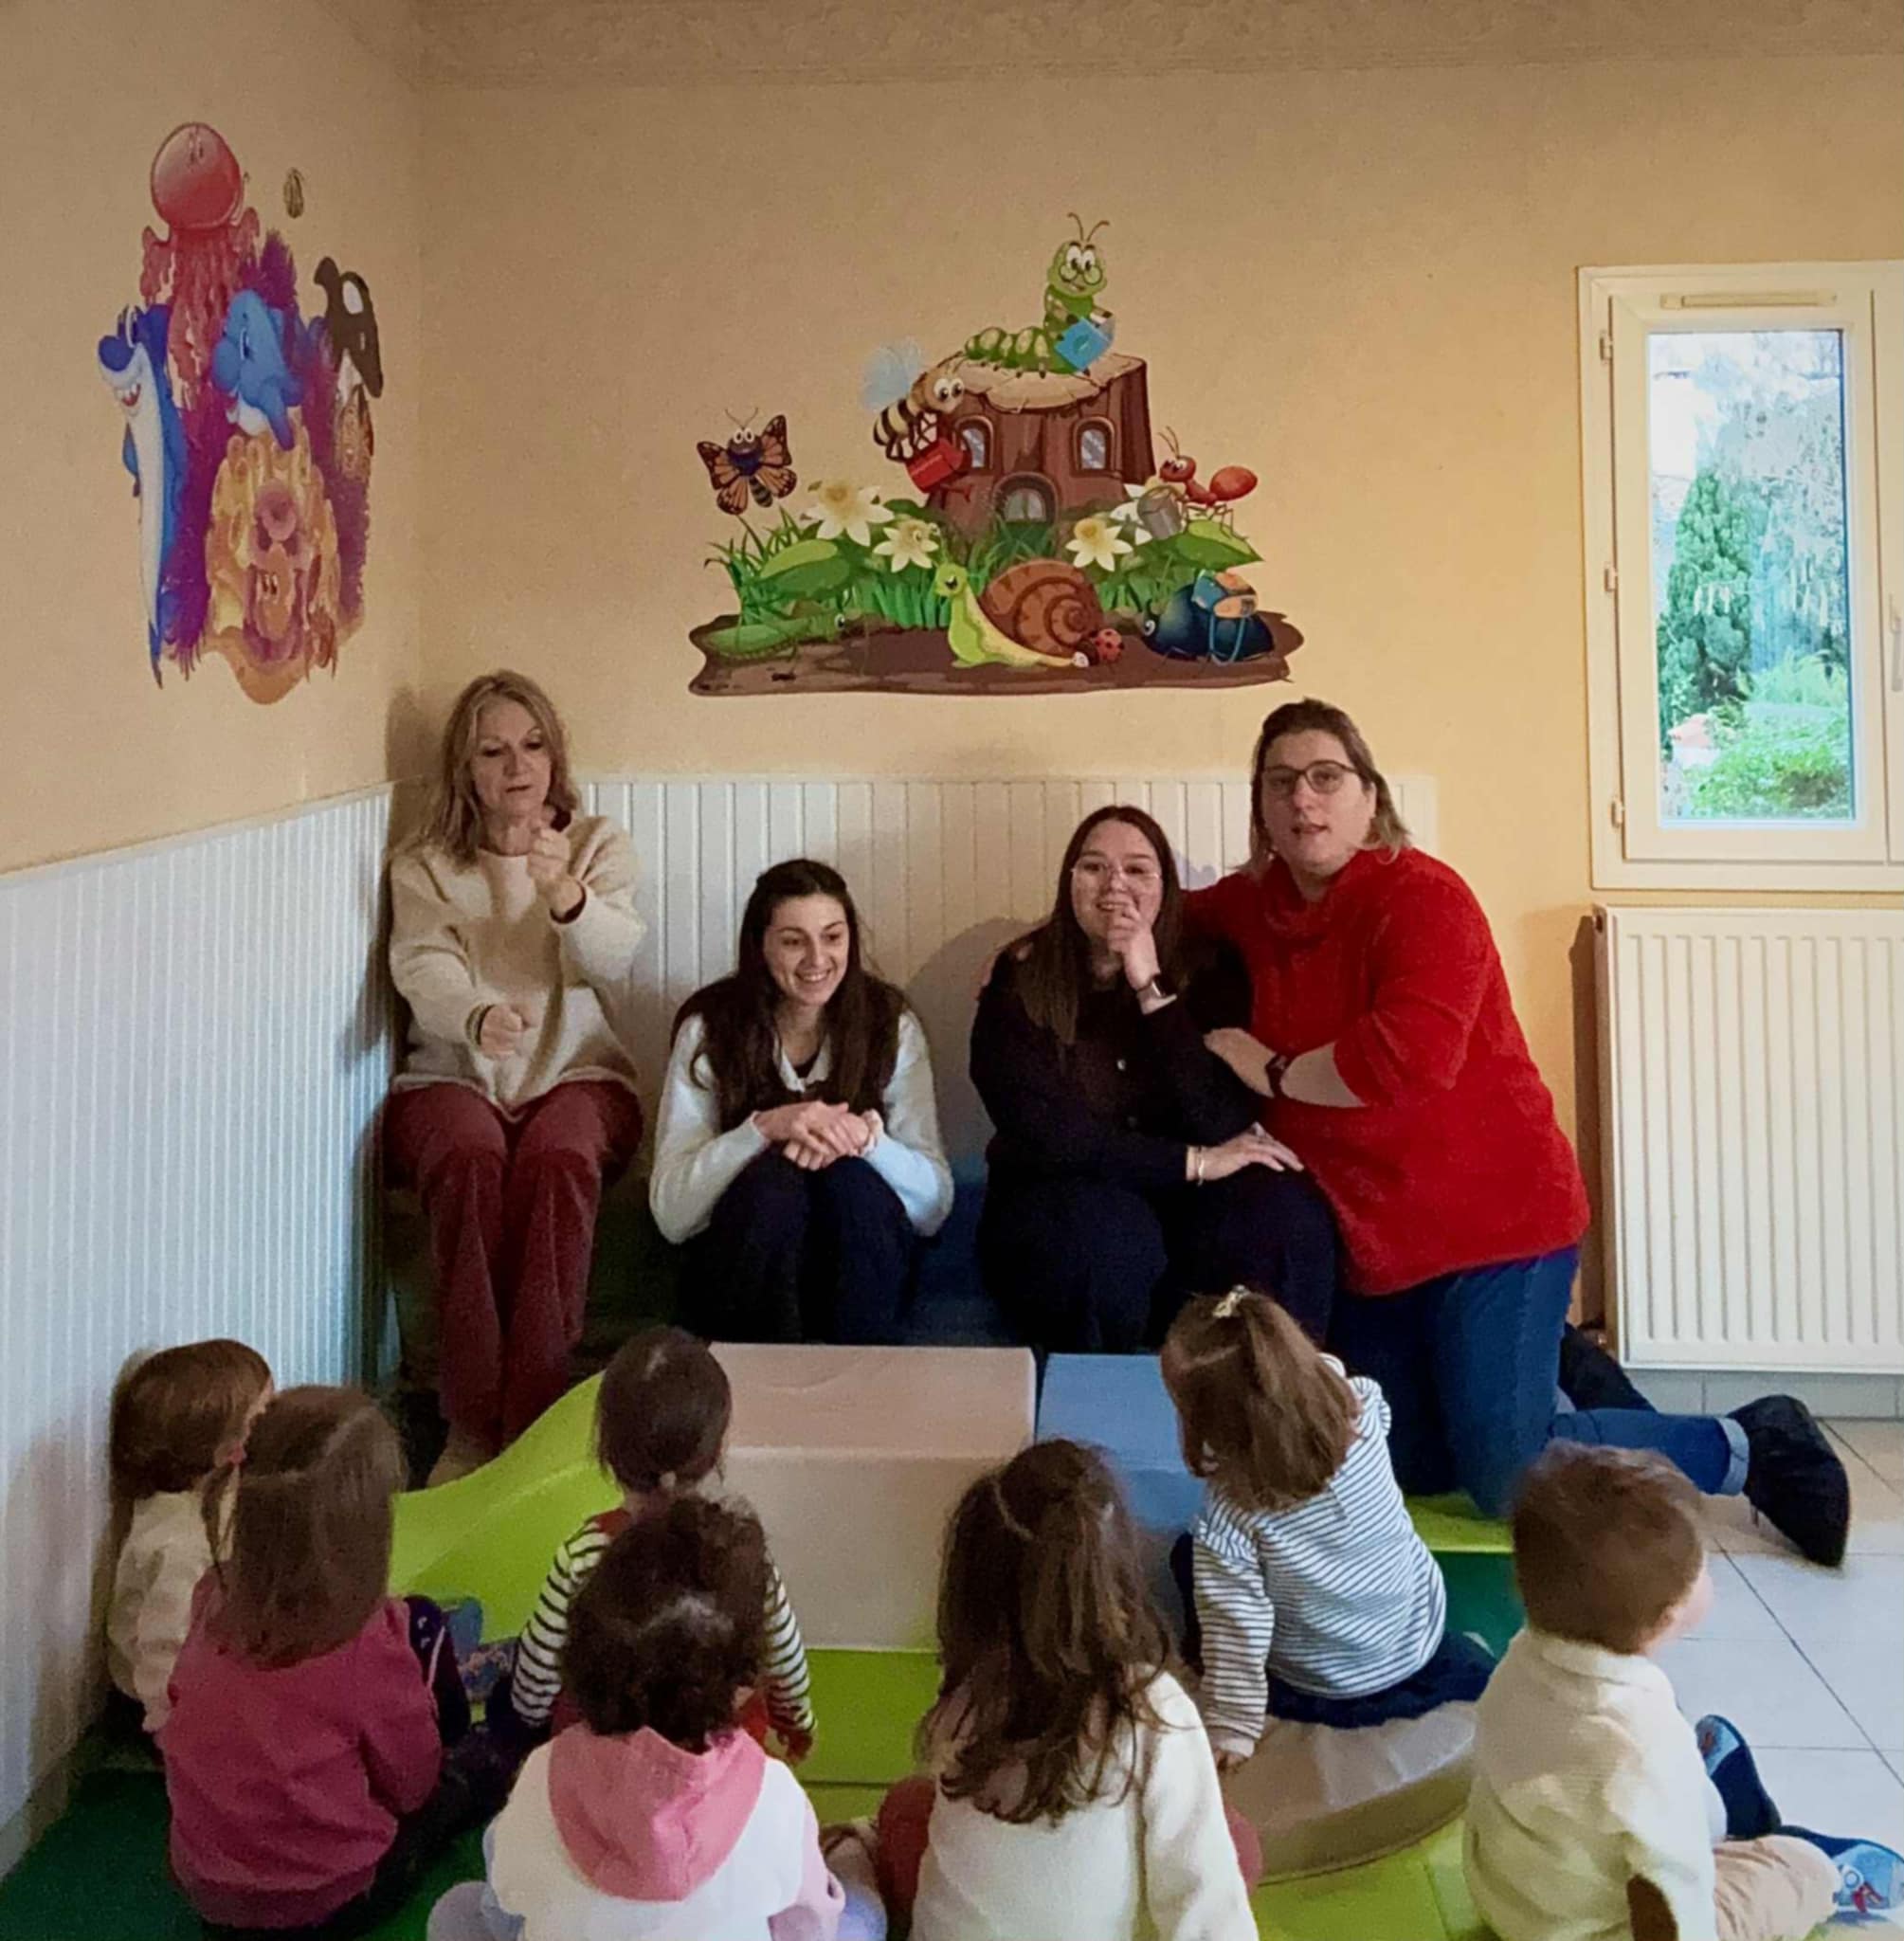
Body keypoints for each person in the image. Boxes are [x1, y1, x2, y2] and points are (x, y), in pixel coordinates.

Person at [1191, 698, 1849, 1564]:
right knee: (1394, 1458)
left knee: (1503, 1471)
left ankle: (1747, 1442)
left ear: (1369, 797)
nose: (1302, 800)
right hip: (1376, 1242)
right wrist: (1047, 947)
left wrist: (1269, 1068)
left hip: (1495, 1225)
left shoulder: (1424, 898)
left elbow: (1402, 1063)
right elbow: (1156, 911)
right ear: (1260, 808)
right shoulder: (1252, 906)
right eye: (1280, 783)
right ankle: (1559, 1369)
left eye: (1325, 777)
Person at [1466, 1444, 1901, 1941]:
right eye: (1704, 1567)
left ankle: (1715, 1798)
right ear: (1669, 1617)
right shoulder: (1638, 1743)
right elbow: (1674, 1891)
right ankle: (1825, 1873)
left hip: (1511, 1902)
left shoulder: (1520, 1659)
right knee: (1787, 1873)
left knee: (1658, 1793)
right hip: (1596, 1928)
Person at [386, 669, 647, 1482]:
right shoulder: (425, 865)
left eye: (532, 746)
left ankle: (534, 1421)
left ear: (555, 756)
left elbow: (616, 958)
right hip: (455, 1075)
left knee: (556, 1158)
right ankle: (469, 1424)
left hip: (580, 1073)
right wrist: (474, 1015)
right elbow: (421, 963)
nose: (517, 766)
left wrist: (565, 896)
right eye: (493, 752)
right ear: (464, 769)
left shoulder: (597, 845)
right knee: (469, 1158)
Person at [970, 804, 1336, 1355]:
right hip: (1059, 1204)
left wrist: (1150, 988)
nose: (1115, 884)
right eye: (1094, 867)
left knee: (1284, 1211)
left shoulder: (1209, 969)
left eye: (1137, 870)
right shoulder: (1020, 977)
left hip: (1183, 1213)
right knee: (1104, 1238)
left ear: (1167, 888)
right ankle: (1095, 1400)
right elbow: (1049, 1136)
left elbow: (1219, 1116)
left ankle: (1287, 1391)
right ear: (1070, 883)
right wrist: (1192, 1163)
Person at [427, 1498, 881, 1941]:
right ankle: (854, 1852)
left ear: (581, 1658)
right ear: (743, 1685)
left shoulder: (542, 1773)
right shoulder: (775, 1796)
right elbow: (808, 1929)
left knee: (455, 1911)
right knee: (861, 1913)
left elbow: (503, 1903)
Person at [873, 1439, 1259, 1941]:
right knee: (1235, 1843)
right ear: (1116, 1578)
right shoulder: (1150, 1706)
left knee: (907, 1807)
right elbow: (1207, 1901)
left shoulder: (970, 1693)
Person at [161, 1387, 499, 1933]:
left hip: (210, 1892)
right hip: (326, 1900)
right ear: (366, 1532)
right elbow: (412, 1784)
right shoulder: (363, 1643)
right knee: (468, 1777)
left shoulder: (210, 1597)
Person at [1160, 1288, 1489, 1766]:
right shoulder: (1362, 1407)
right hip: (1416, 1635)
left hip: (1326, 1685)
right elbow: (1324, 1374)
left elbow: (1237, 1629)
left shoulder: (1230, 1514)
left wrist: (1233, 1726)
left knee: (1187, 1559)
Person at [650, 859, 952, 1343]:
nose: (817, 959)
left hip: (861, 1271)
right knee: (774, 1184)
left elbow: (934, 1207)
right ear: (761, 946)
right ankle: (764, 1373)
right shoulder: (710, 1028)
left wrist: (867, 1142)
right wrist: (762, 1129)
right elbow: (672, 1214)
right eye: (794, 941)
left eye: (832, 937)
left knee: (851, 1180)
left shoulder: (889, 1024)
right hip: (743, 1275)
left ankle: (859, 1370)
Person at [503, 1326, 813, 1756]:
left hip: (608, 1750)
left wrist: (522, 1730)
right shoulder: (743, 1559)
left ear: (606, 1449)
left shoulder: (581, 1557)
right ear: (717, 1451)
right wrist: (797, 1723)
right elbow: (786, 1665)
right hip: (720, 1752)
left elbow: (534, 1687)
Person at [106, 1338, 273, 1734]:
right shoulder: (180, 1545)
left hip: (213, 1665)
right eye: (265, 1418)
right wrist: (178, 1732)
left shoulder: (215, 1496)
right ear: (227, 1450)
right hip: (168, 1704)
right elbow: (164, 1651)